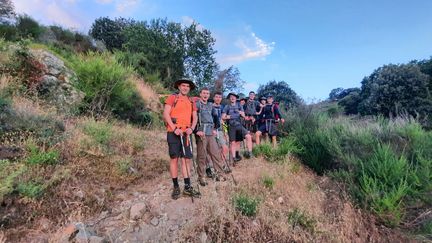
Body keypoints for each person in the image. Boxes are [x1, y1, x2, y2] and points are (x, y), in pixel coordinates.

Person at [163, 78, 200, 200]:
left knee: (187, 160)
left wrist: (192, 128)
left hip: (186, 133)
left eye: (187, 86)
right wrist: (174, 128)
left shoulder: (191, 101)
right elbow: (166, 114)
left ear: (189, 88)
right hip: (173, 132)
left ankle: (187, 187)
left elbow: (194, 117)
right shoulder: (172, 98)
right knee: (174, 159)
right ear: (179, 87)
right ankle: (175, 186)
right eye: (183, 85)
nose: (185, 88)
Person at [195, 87, 227, 186]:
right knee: (202, 156)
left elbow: (216, 117)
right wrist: (196, 131)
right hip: (202, 132)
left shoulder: (210, 105)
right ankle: (202, 177)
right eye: (204, 93)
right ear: (200, 94)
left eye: (207, 93)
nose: (205, 95)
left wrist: (215, 128)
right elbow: (192, 118)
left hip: (211, 132)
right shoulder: (196, 105)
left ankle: (220, 174)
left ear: (209, 95)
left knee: (215, 153)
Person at [222, 93, 253, 162]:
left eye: (234, 97)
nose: (232, 98)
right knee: (233, 142)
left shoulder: (239, 105)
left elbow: (244, 115)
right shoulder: (227, 106)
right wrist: (228, 117)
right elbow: (223, 117)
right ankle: (234, 158)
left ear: (236, 98)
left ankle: (250, 153)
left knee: (248, 136)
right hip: (231, 126)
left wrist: (241, 113)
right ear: (229, 98)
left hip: (239, 125)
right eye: (231, 97)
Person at [212, 91, 230, 168]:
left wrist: (225, 131)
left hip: (220, 130)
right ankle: (212, 166)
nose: (218, 99)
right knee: (213, 150)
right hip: (211, 130)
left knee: (225, 148)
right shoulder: (210, 106)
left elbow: (223, 121)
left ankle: (221, 164)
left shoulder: (223, 107)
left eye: (219, 97)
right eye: (216, 97)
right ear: (213, 98)